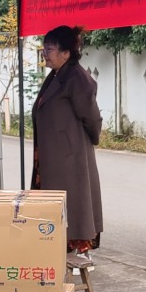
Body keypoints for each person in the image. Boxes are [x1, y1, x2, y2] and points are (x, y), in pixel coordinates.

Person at [31, 24, 103, 268]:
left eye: (50, 49)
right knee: (57, 203)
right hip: (55, 153)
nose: (45, 53)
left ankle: (80, 251)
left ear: (66, 52)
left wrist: (90, 140)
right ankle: (57, 246)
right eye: (44, 48)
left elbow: (92, 117)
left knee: (75, 205)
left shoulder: (77, 78)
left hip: (70, 155)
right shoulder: (57, 74)